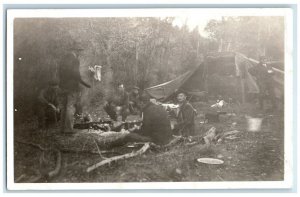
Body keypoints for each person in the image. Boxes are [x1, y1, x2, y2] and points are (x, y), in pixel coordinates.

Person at [58, 43, 91, 134]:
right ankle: (68, 129)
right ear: (75, 50)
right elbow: (76, 74)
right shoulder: (75, 60)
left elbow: (60, 73)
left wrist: (61, 84)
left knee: (64, 107)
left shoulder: (63, 59)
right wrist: (85, 83)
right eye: (79, 51)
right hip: (72, 87)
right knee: (70, 107)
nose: (79, 53)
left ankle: (62, 129)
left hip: (63, 86)